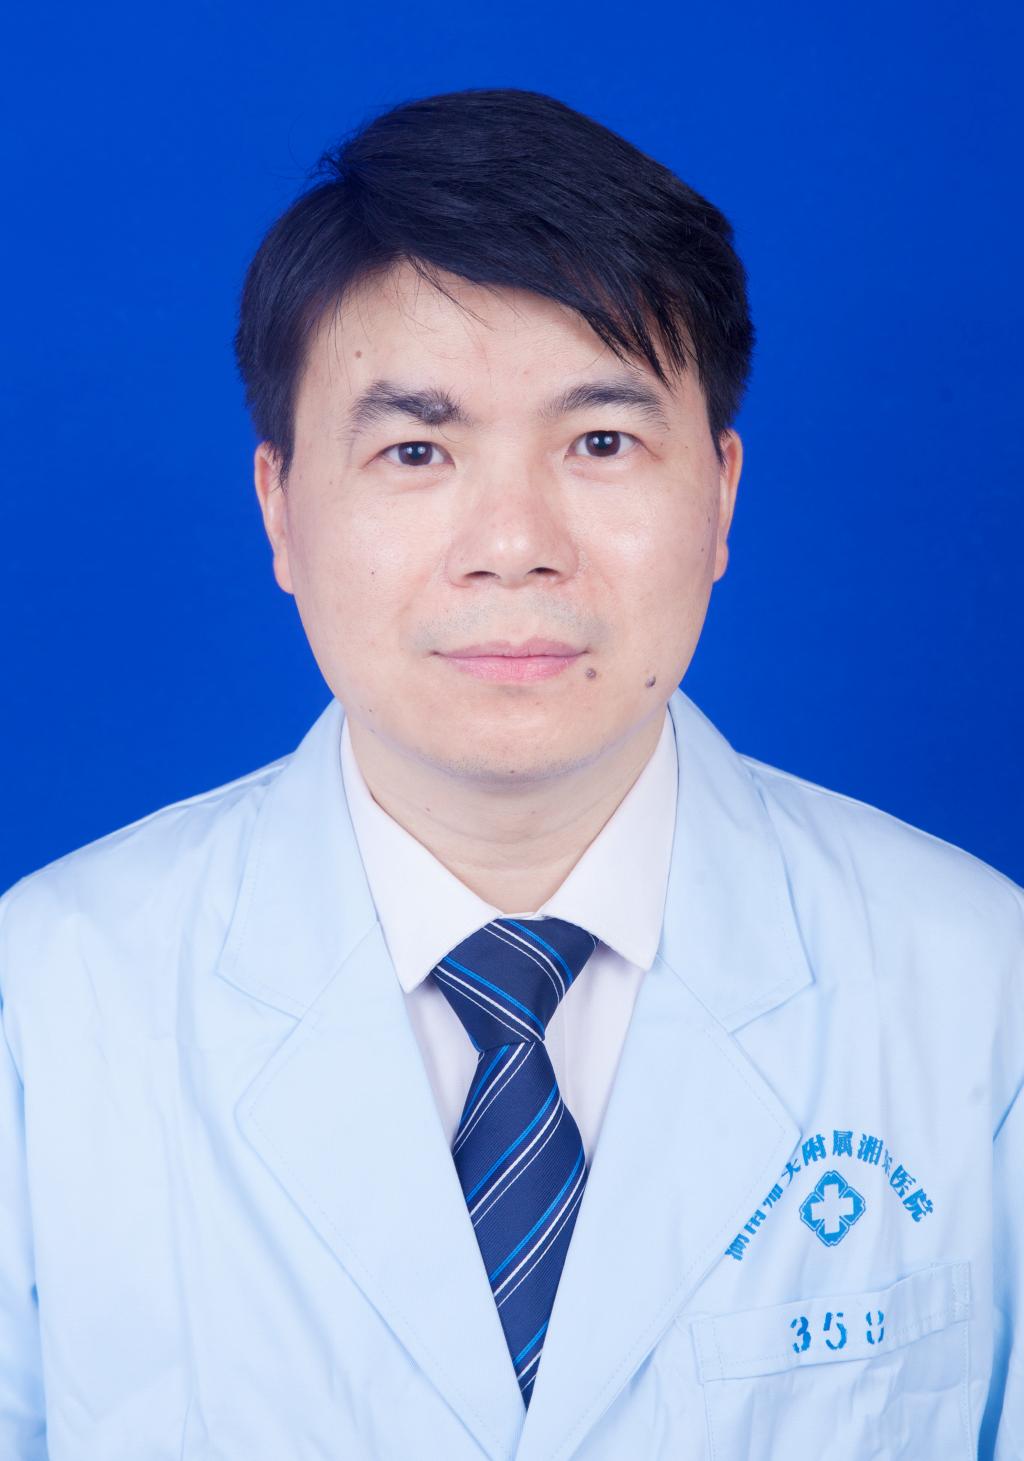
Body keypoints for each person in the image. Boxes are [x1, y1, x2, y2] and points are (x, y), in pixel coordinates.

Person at [1, 86, 1020, 1461]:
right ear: (280, 507)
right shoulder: (43, 1008)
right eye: (416, 449)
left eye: (601, 442)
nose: (514, 544)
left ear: (721, 494)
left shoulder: (981, 990)